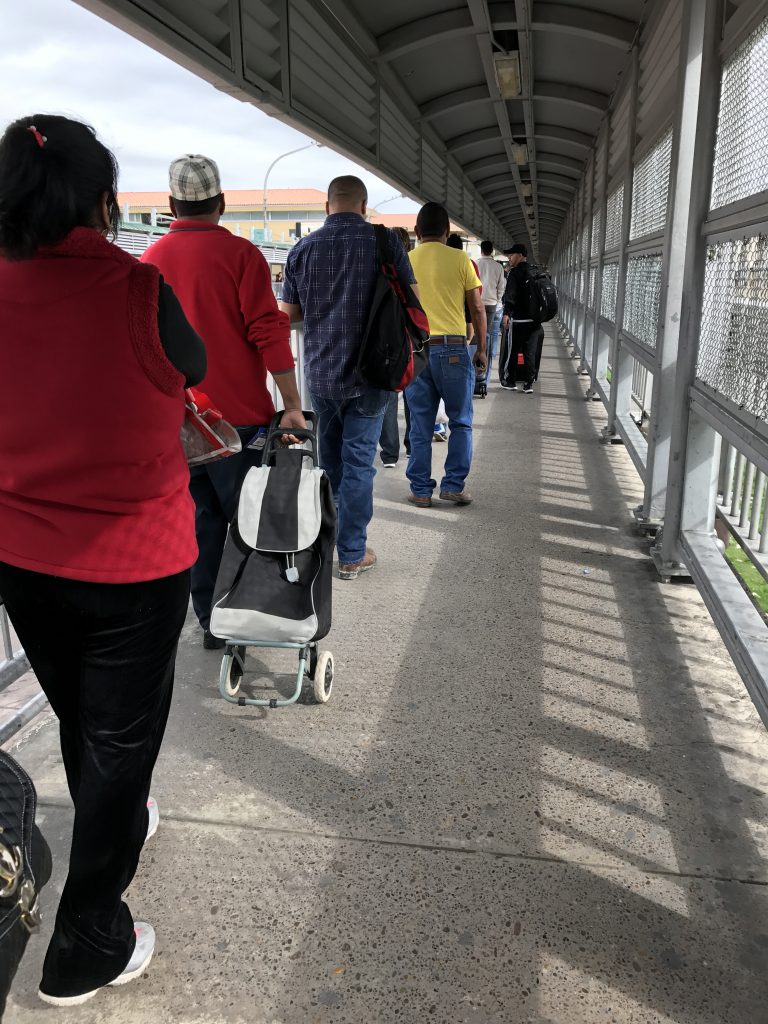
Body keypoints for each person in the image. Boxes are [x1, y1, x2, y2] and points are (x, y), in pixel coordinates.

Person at [0, 115, 205, 1005]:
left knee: (82, 711)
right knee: (121, 739)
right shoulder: (139, 289)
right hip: (136, 559)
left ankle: (115, 818)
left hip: (21, 554)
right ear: (102, 199)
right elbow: (189, 366)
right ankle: (87, 942)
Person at [142, 155, 305, 647]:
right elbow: (268, 332)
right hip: (241, 422)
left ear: (171, 206)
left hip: (180, 422)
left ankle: (211, 621)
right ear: (222, 204)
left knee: (199, 521)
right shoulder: (242, 256)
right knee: (248, 519)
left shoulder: (148, 263)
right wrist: (292, 403)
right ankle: (249, 612)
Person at [280, 176, 415, 578]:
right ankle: (352, 554)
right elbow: (410, 299)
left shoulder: (302, 249)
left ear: (327, 206)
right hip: (374, 372)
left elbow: (288, 317)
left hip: (321, 374)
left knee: (330, 464)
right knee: (359, 464)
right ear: (363, 204)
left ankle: (325, 545)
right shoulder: (386, 240)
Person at [405, 202, 487, 508]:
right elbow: (477, 307)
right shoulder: (461, 259)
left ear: (416, 232)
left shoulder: (406, 260)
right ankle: (453, 485)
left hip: (417, 349)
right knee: (461, 422)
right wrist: (481, 348)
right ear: (447, 232)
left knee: (420, 424)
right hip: (453, 348)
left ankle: (421, 490)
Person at [378, 226, 412, 468]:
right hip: (415, 338)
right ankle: (412, 445)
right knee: (415, 397)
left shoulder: (382, 266)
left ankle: (390, 453)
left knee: (390, 397)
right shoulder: (411, 264)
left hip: (389, 339)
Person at [499, 243, 540, 395]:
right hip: (535, 321)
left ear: (521, 255)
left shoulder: (515, 273)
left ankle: (510, 381)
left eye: (512, 254)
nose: (509, 257)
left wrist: (507, 313)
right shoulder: (535, 271)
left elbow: (510, 295)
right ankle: (529, 383)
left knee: (512, 350)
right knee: (530, 352)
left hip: (519, 320)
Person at [476, 240, 506, 385]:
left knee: (478, 335)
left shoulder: (475, 263)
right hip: (492, 305)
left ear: (481, 250)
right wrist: (497, 299)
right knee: (491, 336)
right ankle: (486, 376)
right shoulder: (498, 266)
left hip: (477, 304)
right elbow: (502, 286)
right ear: (492, 251)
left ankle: (476, 373)